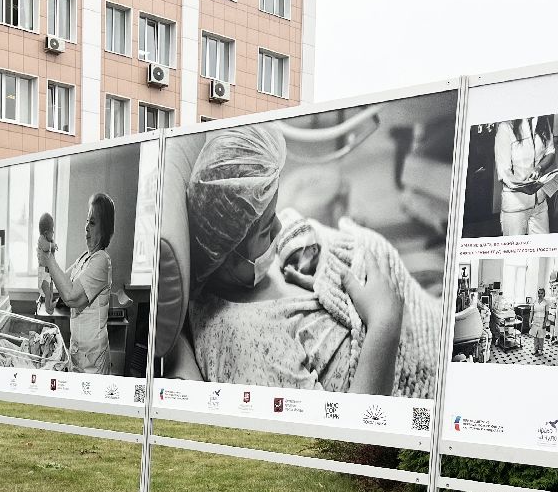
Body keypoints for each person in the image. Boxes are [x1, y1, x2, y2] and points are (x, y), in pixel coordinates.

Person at [170, 124, 441, 398]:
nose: (279, 228)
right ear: (227, 254)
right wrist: (385, 323)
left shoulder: (247, 265)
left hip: (425, 314)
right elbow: (342, 440)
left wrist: (320, 265)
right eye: (266, 230)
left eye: (273, 212)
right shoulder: (246, 342)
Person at [41, 194, 114, 375]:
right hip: (78, 352)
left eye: (93, 223)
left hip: (93, 360)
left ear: (105, 229)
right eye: (87, 221)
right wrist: (50, 251)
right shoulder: (84, 258)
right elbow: (62, 282)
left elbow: (72, 296)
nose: (86, 227)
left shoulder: (102, 261)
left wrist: (48, 257)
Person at [495, 116, 556, 236]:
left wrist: (539, 167)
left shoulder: (543, 121)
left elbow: (550, 152)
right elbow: (503, 172)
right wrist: (523, 187)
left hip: (540, 202)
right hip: (516, 204)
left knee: (542, 251)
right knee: (515, 252)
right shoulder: (506, 126)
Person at [529, 288, 549, 361]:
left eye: (542, 293)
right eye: (539, 293)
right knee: (535, 336)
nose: (540, 295)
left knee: (541, 336)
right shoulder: (535, 302)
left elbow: (547, 314)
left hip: (542, 320)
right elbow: (532, 312)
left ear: (544, 294)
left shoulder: (546, 303)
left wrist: (545, 322)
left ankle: (540, 350)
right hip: (535, 320)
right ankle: (535, 350)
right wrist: (530, 321)